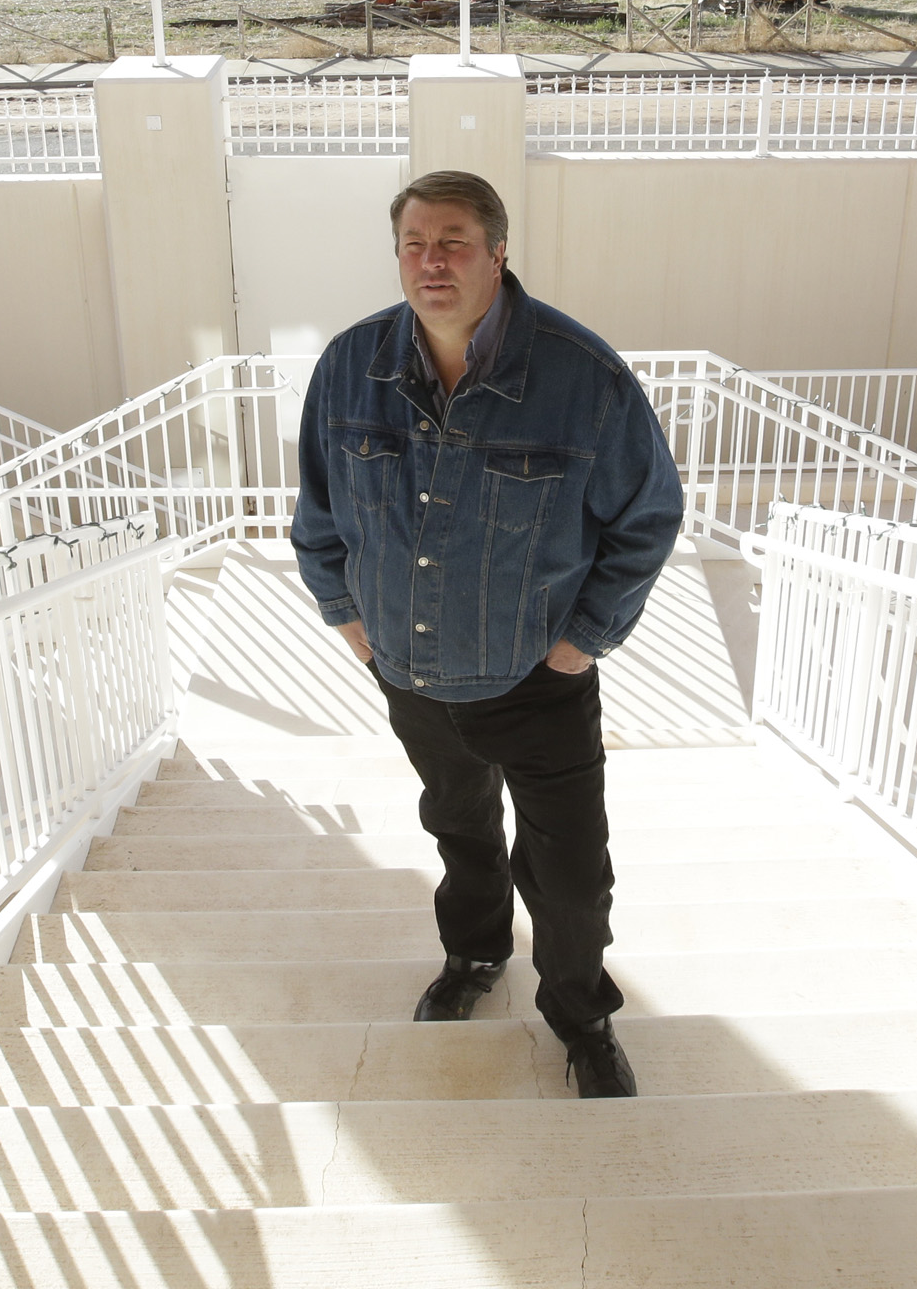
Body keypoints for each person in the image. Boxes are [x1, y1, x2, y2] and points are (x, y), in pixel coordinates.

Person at [290, 170, 683, 1099]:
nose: (433, 261)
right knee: (459, 826)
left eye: (455, 241)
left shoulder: (582, 378)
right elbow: (318, 510)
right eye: (416, 243)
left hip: (537, 680)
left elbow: (647, 517)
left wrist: (581, 642)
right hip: (412, 673)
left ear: (498, 251)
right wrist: (345, 613)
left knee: (572, 874)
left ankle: (580, 1011)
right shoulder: (349, 366)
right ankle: (474, 956)